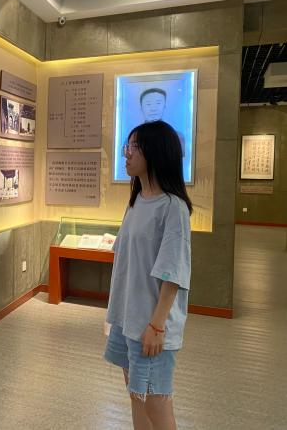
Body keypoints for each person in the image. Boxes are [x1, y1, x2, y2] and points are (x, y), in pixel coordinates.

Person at [104, 120, 192, 430]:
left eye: (134, 147)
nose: (126, 154)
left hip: (152, 324)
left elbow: (173, 273)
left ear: (156, 152)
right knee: (136, 394)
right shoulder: (136, 200)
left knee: (157, 402)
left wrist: (156, 325)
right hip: (128, 318)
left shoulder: (173, 207)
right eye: (126, 147)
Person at [138, 88, 185, 156]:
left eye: (158, 103)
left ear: (164, 106)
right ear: (141, 107)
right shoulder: (134, 137)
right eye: (148, 104)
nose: (153, 109)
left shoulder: (177, 136)